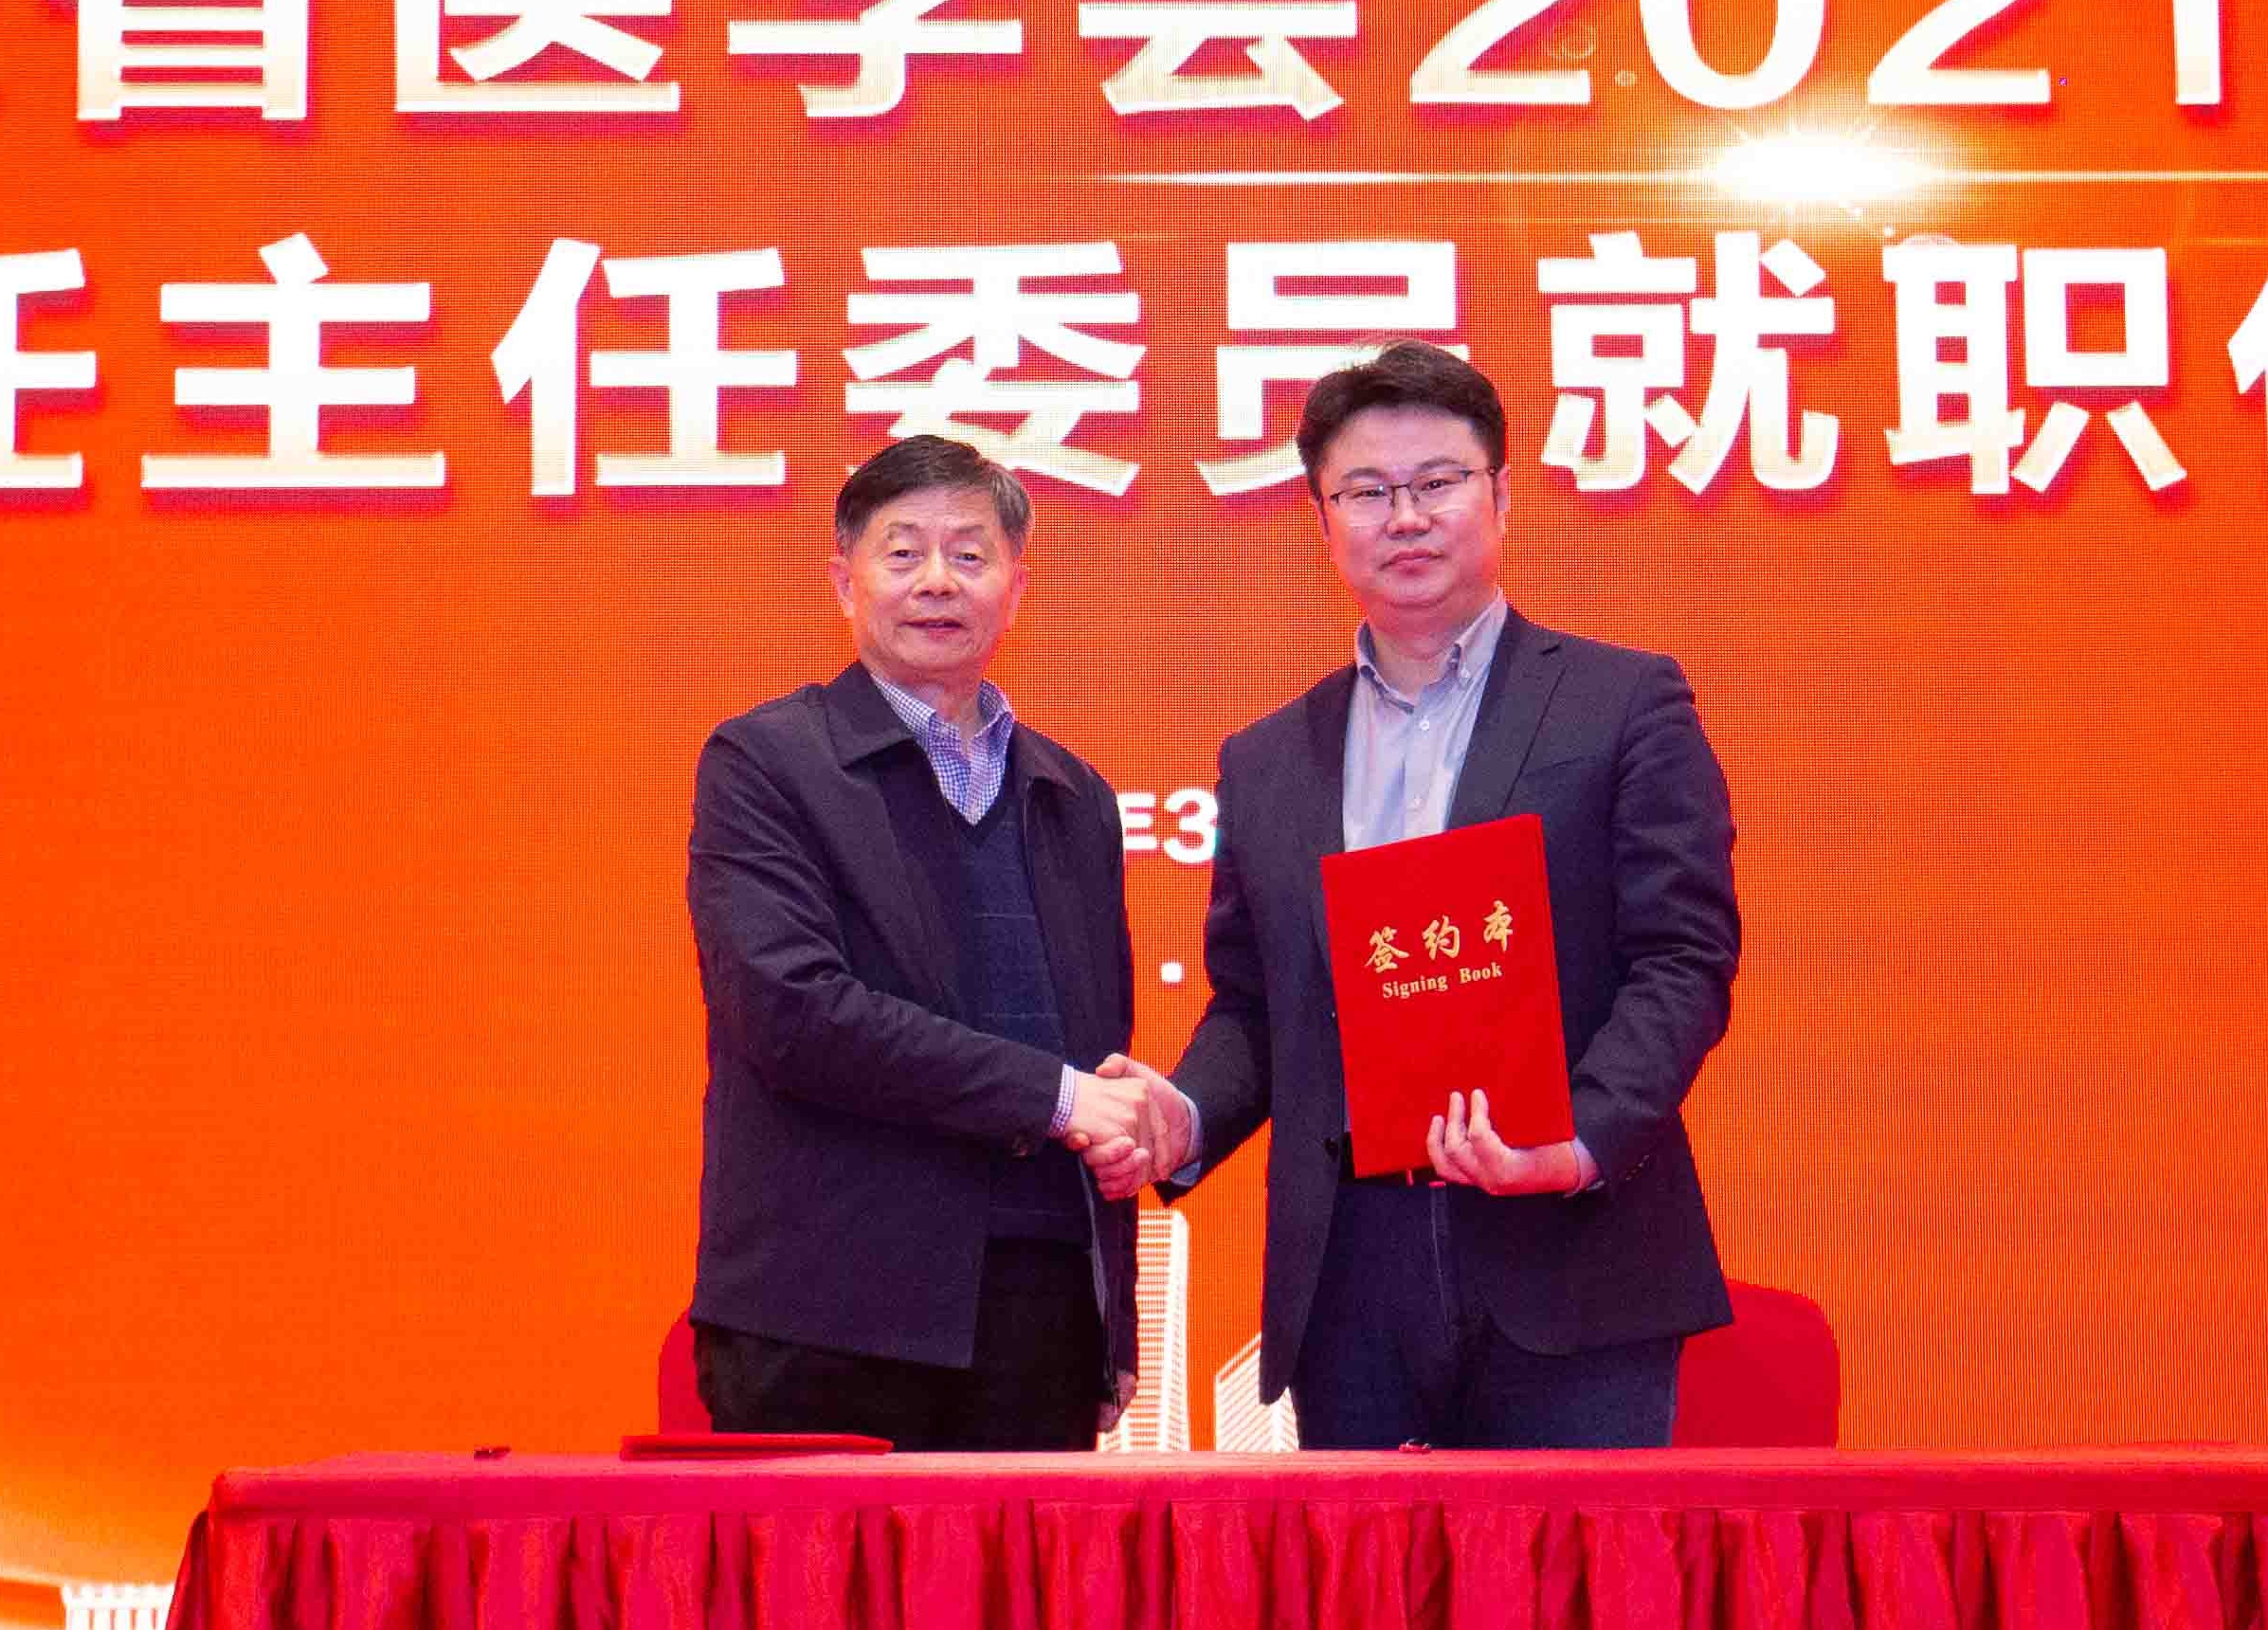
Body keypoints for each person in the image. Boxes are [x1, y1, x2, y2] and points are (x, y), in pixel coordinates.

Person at [1150, 345, 1738, 1448]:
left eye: (1438, 482)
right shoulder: (1267, 758)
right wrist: (1183, 1113)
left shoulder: (1623, 702)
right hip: (1353, 1278)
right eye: (1367, 492)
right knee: (1367, 1570)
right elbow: (1257, 1007)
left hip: (1570, 1254)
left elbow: (1683, 957)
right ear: (1323, 521)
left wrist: (1578, 1140)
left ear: (1502, 495)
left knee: (1575, 1569)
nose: (1406, 517)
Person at [682, 435, 1181, 1449]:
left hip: (1040, 1310)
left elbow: (1096, 1054)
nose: (937, 581)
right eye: (903, 552)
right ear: (845, 581)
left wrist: (1112, 1322)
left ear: (1017, 587)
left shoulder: (1073, 794)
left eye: (970, 553)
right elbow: (791, 1013)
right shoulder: (769, 762)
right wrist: (1055, 1097)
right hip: (829, 1313)